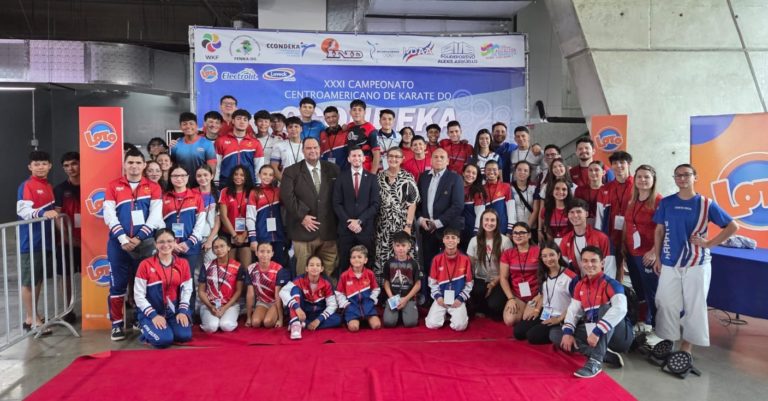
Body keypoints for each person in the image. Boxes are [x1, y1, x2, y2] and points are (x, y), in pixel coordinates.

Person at [652, 164, 738, 356]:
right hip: (669, 261)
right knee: (665, 301)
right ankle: (669, 337)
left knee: (695, 305)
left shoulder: (706, 204)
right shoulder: (666, 202)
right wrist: (658, 257)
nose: (682, 178)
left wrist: (709, 243)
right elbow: (659, 230)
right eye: (678, 175)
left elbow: (732, 226)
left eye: (686, 175)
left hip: (696, 262)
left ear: (695, 177)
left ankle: (687, 344)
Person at [104, 148, 164, 341]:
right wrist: (123, 238)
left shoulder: (153, 187)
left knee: (143, 285)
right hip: (118, 244)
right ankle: (116, 325)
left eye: (138, 163)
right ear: (124, 164)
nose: (134, 166)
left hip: (145, 243)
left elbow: (155, 216)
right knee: (118, 286)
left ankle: (140, 318)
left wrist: (139, 237)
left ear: (144, 165)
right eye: (130, 162)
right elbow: (109, 215)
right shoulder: (113, 186)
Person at [552, 246, 628, 378]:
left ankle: (596, 361)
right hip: (593, 332)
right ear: (581, 263)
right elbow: (573, 311)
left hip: (618, 335)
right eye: (585, 261)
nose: (589, 265)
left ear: (602, 263)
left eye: (593, 261)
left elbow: (620, 309)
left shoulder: (612, 283)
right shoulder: (580, 285)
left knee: (605, 308)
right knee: (556, 334)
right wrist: (568, 332)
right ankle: (602, 353)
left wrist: (597, 330)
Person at [281, 137, 340, 277]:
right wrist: (302, 216)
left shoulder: (333, 169)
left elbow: (339, 197)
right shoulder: (291, 171)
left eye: (315, 147)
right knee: (303, 272)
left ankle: (325, 297)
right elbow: (287, 198)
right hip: (303, 232)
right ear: (303, 151)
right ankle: (303, 297)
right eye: (308, 148)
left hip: (329, 232)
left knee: (329, 272)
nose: (312, 151)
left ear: (320, 149)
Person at [17, 150, 58, 334]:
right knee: (28, 281)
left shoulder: (48, 186)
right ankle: (31, 318)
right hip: (31, 242)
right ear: (30, 167)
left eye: (43, 163)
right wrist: (42, 213)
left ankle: (32, 316)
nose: (40, 167)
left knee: (38, 280)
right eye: (36, 164)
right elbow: (24, 212)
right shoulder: (27, 185)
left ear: (49, 166)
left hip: (45, 242)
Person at [416, 148, 465, 294]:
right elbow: (417, 203)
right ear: (430, 160)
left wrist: (437, 223)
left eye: (442, 157)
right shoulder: (423, 177)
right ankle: (430, 297)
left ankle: (450, 296)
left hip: (447, 229)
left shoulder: (455, 178)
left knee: (450, 265)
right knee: (428, 263)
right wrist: (420, 219)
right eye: (435, 157)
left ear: (447, 161)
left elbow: (458, 205)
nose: (438, 159)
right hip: (426, 229)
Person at [134, 229, 193, 348]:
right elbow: (138, 295)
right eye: (161, 242)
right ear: (155, 244)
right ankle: (144, 325)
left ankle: (167, 327)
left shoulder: (183, 263)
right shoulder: (145, 265)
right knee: (164, 340)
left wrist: (182, 311)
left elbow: (187, 289)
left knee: (184, 336)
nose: (166, 245)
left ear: (175, 242)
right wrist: (153, 315)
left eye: (169, 241)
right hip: (151, 311)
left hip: (172, 311)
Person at [162, 164, 206, 314]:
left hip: (190, 247)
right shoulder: (165, 198)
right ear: (170, 178)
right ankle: (170, 311)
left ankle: (188, 313)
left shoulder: (196, 197)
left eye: (182, 176)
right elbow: (160, 223)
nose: (179, 179)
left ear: (188, 178)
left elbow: (200, 224)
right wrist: (171, 243)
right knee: (169, 279)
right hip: (169, 247)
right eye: (175, 176)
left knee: (188, 280)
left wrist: (189, 242)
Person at [623, 165, 662, 331]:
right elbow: (627, 224)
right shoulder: (632, 200)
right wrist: (624, 247)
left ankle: (657, 325)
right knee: (639, 289)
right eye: (639, 177)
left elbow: (663, 228)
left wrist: (654, 251)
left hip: (647, 254)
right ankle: (643, 320)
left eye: (646, 177)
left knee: (651, 292)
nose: (642, 180)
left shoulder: (659, 201)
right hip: (632, 253)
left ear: (653, 180)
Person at [333, 146, 380, 276]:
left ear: (364, 158)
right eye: (353, 156)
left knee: (367, 263)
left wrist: (359, 221)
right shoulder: (341, 178)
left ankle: (367, 292)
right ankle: (345, 293)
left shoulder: (372, 178)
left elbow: (375, 204)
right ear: (348, 159)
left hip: (365, 230)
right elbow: (337, 204)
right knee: (345, 263)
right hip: (345, 230)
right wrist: (350, 222)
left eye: (359, 155)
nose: (356, 158)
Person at [374, 147, 419, 283]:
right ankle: (384, 291)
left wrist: (408, 225)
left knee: (402, 257)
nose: (393, 159)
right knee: (382, 257)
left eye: (397, 157)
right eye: (391, 156)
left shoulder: (407, 177)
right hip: (383, 226)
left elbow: (412, 203)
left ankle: (404, 291)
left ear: (402, 159)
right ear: (386, 158)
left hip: (402, 225)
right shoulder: (379, 177)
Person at [518, 241, 576, 344]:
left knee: (532, 336)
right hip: (546, 313)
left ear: (558, 255)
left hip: (561, 316)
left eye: (551, 255)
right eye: (544, 256)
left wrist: (559, 319)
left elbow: (576, 303)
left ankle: (558, 330)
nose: (548, 259)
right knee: (518, 332)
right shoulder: (544, 274)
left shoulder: (571, 277)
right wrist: (536, 310)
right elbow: (543, 295)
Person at [279, 256, 342, 340]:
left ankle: (305, 324)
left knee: (338, 319)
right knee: (294, 289)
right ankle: (296, 324)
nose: (314, 267)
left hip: (318, 314)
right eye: (311, 265)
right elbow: (282, 291)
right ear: (307, 268)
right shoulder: (300, 279)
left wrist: (319, 320)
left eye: (317, 265)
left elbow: (332, 305)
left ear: (321, 269)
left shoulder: (326, 283)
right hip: (302, 313)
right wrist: (297, 308)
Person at [466, 209, 513, 320]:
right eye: (486, 220)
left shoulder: (505, 241)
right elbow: (470, 267)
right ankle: (480, 305)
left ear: (497, 223)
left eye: (493, 220)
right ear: (481, 222)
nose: (489, 223)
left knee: (495, 307)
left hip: (499, 279)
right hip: (480, 278)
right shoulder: (474, 240)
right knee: (477, 291)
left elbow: (508, 269)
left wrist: (493, 284)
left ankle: (489, 306)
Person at [425, 228, 473, 331]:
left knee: (460, 326)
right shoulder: (436, 259)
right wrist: (438, 297)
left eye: (453, 238)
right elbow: (432, 282)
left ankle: (456, 315)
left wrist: (460, 299)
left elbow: (469, 284)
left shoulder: (465, 259)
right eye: (447, 238)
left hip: (457, 300)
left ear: (458, 240)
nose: (450, 240)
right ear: (443, 240)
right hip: (441, 299)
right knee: (431, 324)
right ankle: (445, 314)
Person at [53, 151, 81, 323]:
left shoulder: (93, 184)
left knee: (93, 272)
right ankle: (68, 309)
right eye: (66, 165)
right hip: (67, 241)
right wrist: (66, 235)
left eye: (74, 163)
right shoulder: (60, 189)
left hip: (90, 240)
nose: (71, 168)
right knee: (66, 275)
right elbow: (56, 215)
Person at [559, 198, 617, 278]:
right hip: (579, 286)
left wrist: (604, 287)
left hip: (599, 285)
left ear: (586, 214)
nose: (575, 215)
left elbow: (610, 268)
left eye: (579, 212)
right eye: (571, 212)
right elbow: (565, 269)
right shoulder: (565, 240)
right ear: (568, 215)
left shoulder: (602, 238)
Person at [198, 236, 245, 333]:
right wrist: (211, 307)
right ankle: (213, 319)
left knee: (226, 326)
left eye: (222, 246)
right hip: (209, 305)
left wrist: (225, 308)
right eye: (216, 247)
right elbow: (201, 291)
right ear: (213, 250)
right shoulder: (206, 266)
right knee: (211, 327)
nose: (219, 249)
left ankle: (225, 318)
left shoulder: (237, 266)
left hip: (230, 305)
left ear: (228, 248)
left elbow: (238, 291)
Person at [596, 151, 634, 268]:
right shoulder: (605, 189)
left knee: (636, 273)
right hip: (611, 237)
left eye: (622, 162)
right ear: (611, 166)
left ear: (629, 164)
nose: (618, 166)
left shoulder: (638, 186)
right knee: (614, 271)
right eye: (615, 163)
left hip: (633, 236)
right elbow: (600, 216)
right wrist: (599, 238)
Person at [499, 222, 540, 331]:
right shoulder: (508, 253)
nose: (518, 235)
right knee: (509, 320)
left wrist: (540, 295)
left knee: (527, 319)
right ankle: (523, 310)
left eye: (522, 232)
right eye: (515, 233)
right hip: (518, 295)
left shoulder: (538, 251)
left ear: (529, 235)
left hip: (536, 295)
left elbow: (547, 276)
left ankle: (531, 311)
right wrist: (511, 298)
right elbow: (503, 278)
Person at [247, 165, 288, 269]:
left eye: (271, 175)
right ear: (259, 175)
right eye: (264, 174)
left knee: (279, 267)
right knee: (263, 266)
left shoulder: (278, 191)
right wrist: (253, 239)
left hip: (278, 236)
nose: (267, 177)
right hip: (262, 236)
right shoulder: (254, 192)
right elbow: (250, 217)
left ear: (274, 177)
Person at [336, 245, 382, 331]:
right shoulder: (344, 275)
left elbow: (376, 289)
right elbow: (339, 293)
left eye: (359, 257)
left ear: (365, 260)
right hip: (352, 307)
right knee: (354, 328)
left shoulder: (370, 274)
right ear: (350, 260)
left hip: (368, 306)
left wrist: (372, 299)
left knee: (376, 325)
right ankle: (352, 320)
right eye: (353, 257)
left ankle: (365, 318)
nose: (356, 259)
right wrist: (346, 304)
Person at [214, 108, 265, 186]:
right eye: (239, 119)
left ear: (248, 123)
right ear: (233, 121)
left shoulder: (256, 143)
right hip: (226, 182)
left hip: (248, 183)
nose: (242, 121)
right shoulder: (220, 141)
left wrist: (258, 183)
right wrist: (216, 182)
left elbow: (259, 166)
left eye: (245, 120)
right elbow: (217, 164)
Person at [245, 242, 290, 329]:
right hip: (262, 302)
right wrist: (249, 317)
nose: (264, 255)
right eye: (261, 251)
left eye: (268, 252)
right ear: (256, 253)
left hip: (275, 301)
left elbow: (278, 295)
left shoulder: (279, 269)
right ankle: (262, 313)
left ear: (272, 254)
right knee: (255, 323)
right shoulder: (250, 269)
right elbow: (250, 294)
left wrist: (280, 319)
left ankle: (278, 313)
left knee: (268, 322)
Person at [382, 231, 422, 328]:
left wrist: (405, 299)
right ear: (393, 246)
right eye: (398, 245)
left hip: (408, 298)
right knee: (388, 323)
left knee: (410, 323)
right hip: (393, 298)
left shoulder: (414, 263)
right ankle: (398, 314)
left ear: (409, 246)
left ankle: (407, 311)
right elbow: (386, 282)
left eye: (403, 245)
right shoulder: (388, 263)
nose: (400, 248)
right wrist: (391, 297)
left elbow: (418, 284)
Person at [219, 164, 254, 265]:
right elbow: (223, 216)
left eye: (242, 175)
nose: (238, 177)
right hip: (229, 234)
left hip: (246, 234)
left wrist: (244, 235)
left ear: (246, 177)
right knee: (230, 268)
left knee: (246, 268)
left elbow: (253, 216)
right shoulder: (225, 191)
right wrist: (234, 235)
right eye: (236, 174)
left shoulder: (251, 192)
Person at [170, 112, 216, 178]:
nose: (188, 126)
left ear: (196, 126)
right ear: (180, 127)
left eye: (191, 123)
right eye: (184, 124)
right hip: (182, 184)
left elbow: (212, 166)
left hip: (201, 183)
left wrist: (209, 181)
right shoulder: (176, 144)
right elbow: (173, 166)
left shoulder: (207, 144)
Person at [343, 99, 381, 174]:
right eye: (354, 110)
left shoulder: (371, 130)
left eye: (360, 110)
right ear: (350, 112)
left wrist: (372, 175)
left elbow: (377, 155)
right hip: (350, 170)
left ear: (364, 112)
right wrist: (344, 127)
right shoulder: (350, 126)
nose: (357, 112)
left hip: (365, 171)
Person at [192, 164, 220, 264]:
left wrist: (210, 240)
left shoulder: (218, 194)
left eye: (205, 175)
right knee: (196, 269)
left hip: (211, 236)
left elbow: (217, 221)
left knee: (211, 266)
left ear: (212, 176)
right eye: (199, 176)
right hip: (194, 236)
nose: (202, 178)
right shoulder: (191, 193)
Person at [538, 178, 573, 245]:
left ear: (568, 192)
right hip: (552, 246)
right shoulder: (546, 209)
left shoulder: (572, 209)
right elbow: (545, 227)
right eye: (557, 188)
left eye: (564, 189)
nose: (560, 192)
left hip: (569, 246)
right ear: (552, 191)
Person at [461, 163, 487, 252]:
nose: (470, 175)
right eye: (468, 171)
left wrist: (476, 232)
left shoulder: (478, 191)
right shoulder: (455, 187)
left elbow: (480, 214)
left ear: (477, 176)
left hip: (470, 230)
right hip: (455, 229)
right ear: (463, 172)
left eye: (474, 173)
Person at [483, 161, 513, 235]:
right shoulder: (481, 188)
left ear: (498, 171)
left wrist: (510, 230)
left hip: (503, 228)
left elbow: (511, 209)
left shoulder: (506, 186)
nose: (491, 172)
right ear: (484, 171)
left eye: (494, 169)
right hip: (486, 228)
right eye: (489, 169)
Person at [270, 116, 304, 181]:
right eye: (290, 127)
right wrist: (284, 182)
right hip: (286, 184)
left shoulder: (307, 145)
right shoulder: (279, 145)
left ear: (301, 129)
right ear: (287, 129)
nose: (293, 129)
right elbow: (273, 167)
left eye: (296, 126)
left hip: (304, 184)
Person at [574, 160, 605, 227]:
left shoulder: (608, 190)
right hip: (584, 225)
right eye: (590, 170)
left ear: (603, 172)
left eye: (596, 170)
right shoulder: (580, 190)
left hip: (602, 225)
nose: (593, 173)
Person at [510, 161, 538, 229]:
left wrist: (526, 228)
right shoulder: (508, 188)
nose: (522, 172)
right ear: (515, 171)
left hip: (531, 227)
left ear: (529, 173)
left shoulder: (534, 187)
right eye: (519, 170)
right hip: (514, 228)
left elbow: (536, 210)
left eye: (525, 170)